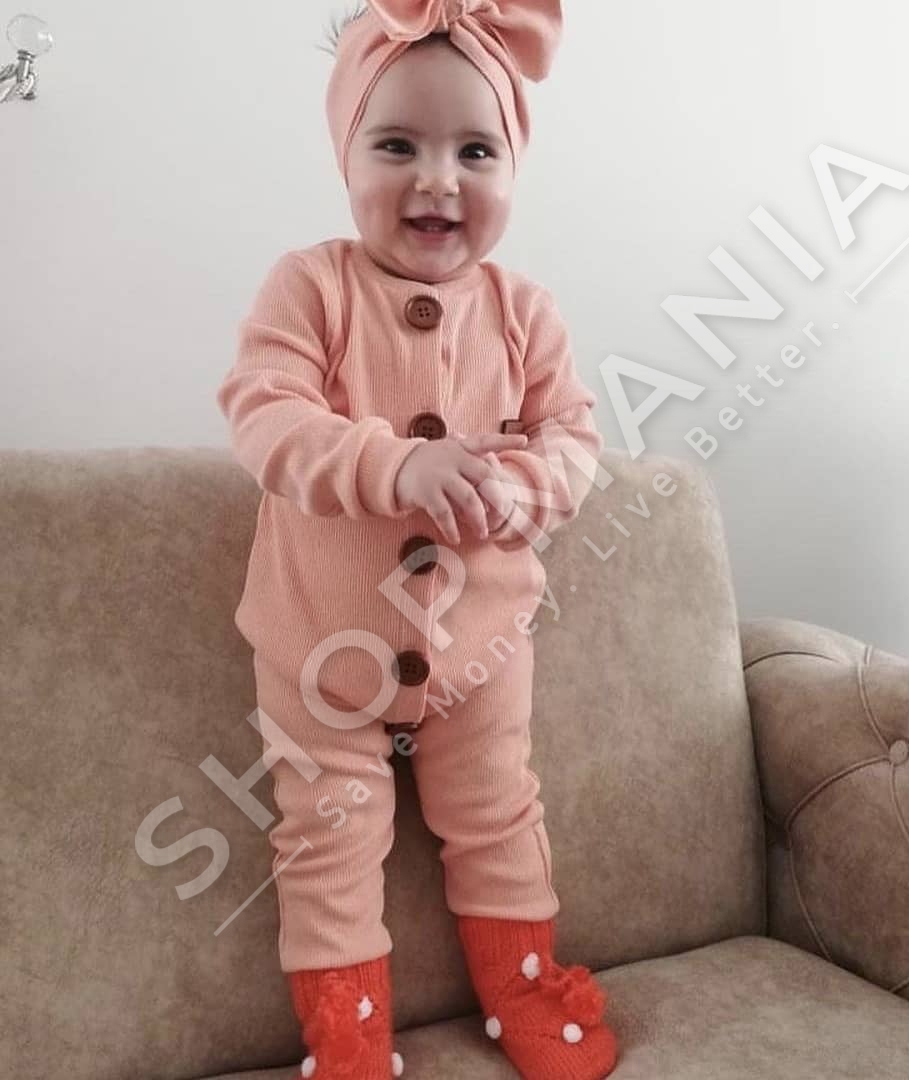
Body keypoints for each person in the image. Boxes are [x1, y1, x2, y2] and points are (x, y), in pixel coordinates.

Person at [215, 2, 614, 1077]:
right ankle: (346, 1039)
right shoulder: (312, 287)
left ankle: (524, 989)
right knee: (328, 832)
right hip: (319, 645)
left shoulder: (526, 313)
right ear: (346, 158)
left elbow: (575, 439)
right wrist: (393, 464)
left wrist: (522, 491)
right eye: (397, 145)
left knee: (497, 813)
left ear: (513, 169)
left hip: (480, 644)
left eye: (475, 151)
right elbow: (265, 414)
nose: (438, 180)